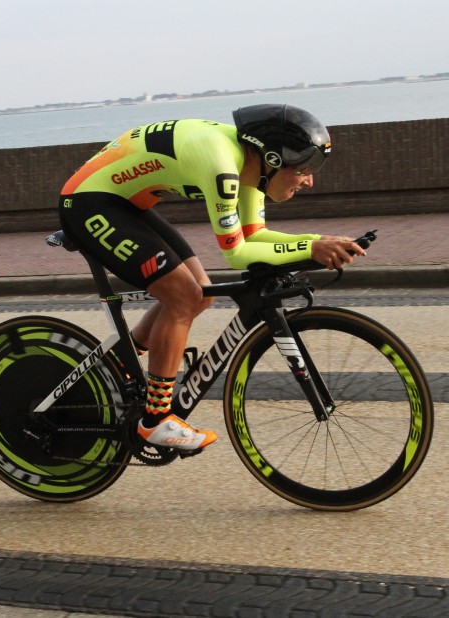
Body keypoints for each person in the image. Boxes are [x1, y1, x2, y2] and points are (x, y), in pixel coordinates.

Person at [58, 104, 366, 451]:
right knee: (183, 297)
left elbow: (255, 237)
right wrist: (313, 248)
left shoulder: (252, 165)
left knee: (200, 295)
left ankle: (114, 371)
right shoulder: (223, 167)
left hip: (125, 202)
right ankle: (155, 420)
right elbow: (236, 253)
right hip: (88, 202)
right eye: (305, 168)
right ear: (275, 160)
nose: (310, 180)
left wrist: (316, 244)